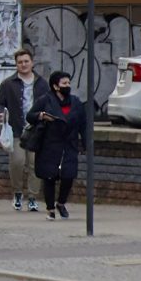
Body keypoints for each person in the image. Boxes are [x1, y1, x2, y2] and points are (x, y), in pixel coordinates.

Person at [28, 70, 87, 219]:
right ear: (55, 86)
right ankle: (50, 208)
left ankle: (61, 202)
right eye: (64, 83)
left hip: (69, 144)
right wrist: (41, 116)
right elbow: (30, 116)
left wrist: (86, 143)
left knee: (68, 176)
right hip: (50, 144)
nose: (67, 86)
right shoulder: (45, 100)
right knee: (49, 177)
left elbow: (83, 125)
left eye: (68, 83)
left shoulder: (76, 102)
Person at [0, 49, 43, 213]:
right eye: (20, 62)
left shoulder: (41, 83)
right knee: (17, 162)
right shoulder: (8, 84)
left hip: (36, 130)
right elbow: (0, 103)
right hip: (16, 130)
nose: (23, 65)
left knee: (34, 165)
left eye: (26, 61)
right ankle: (17, 192)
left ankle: (32, 197)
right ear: (16, 65)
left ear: (32, 63)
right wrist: (2, 113)